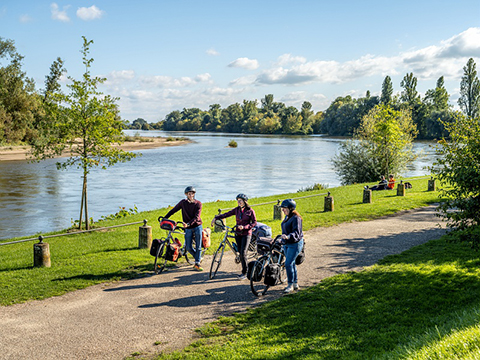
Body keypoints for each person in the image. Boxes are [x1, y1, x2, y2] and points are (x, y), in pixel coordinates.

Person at [212, 193, 257, 280]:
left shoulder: (250, 211)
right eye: (238, 201)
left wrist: (245, 227)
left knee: (243, 253)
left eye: (240, 201)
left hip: (246, 234)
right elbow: (226, 214)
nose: (239, 202)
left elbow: (254, 222)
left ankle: (245, 272)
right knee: (240, 253)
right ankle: (243, 265)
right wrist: (216, 217)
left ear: (245, 201)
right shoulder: (236, 210)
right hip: (238, 234)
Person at [164, 186, 204, 271]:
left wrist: (188, 224)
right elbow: (174, 210)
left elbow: (197, 217)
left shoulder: (198, 204)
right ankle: (198, 258)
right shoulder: (183, 203)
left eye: (192, 193)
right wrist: (165, 218)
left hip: (197, 226)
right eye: (189, 193)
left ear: (194, 194)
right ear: (186, 194)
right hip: (188, 228)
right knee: (188, 247)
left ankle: (197, 263)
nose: (191, 195)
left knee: (198, 246)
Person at [280, 199, 304, 293]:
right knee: (292, 263)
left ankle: (290, 285)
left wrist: (288, 236)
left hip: (295, 244)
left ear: (291, 208)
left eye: (284, 208)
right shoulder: (287, 217)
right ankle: (295, 283)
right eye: (282, 208)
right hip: (287, 243)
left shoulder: (296, 218)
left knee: (288, 263)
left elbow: (297, 233)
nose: (283, 210)